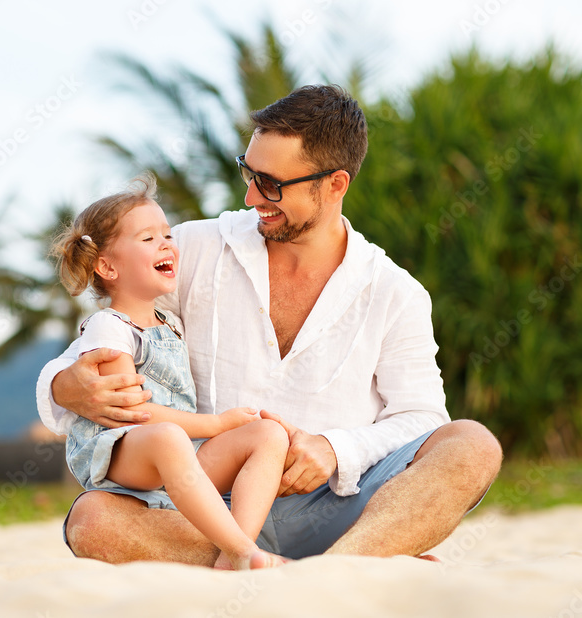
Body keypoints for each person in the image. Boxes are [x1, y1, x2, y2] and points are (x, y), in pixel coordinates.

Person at [36, 84, 503, 566]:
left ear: (335, 184)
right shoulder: (193, 249)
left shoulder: (395, 292)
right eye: (249, 172)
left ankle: (338, 564)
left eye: (272, 183)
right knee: (92, 519)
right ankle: (300, 559)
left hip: (336, 506)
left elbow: (423, 417)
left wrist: (335, 448)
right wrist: (65, 386)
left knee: (472, 445)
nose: (252, 195)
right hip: (201, 505)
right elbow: (112, 325)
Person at [50, 176, 290, 570]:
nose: (166, 243)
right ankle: (242, 550)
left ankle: (237, 551)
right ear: (107, 266)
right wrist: (215, 424)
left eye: (167, 234)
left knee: (268, 434)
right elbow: (134, 413)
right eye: (148, 239)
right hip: (126, 456)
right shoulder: (109, 328)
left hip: (180, 464)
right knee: (166, 436)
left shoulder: (171, 323)